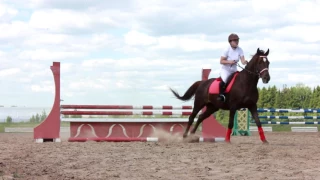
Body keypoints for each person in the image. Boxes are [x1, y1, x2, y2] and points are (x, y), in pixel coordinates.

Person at [217, 33, 248, 102]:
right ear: (230, 42)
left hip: (234, 69)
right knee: (225, 80)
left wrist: (245, 62)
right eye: (235, 40)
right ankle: (221, 95)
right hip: (226, 70)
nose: (237, 42)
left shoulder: (240, 49)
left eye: (237, 40)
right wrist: (229, 62)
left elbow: (242, 61)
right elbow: (221, 61)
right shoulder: (226, 50)